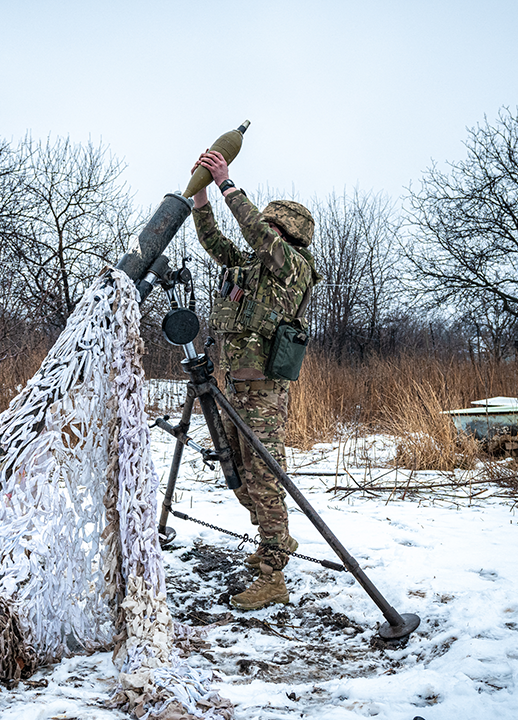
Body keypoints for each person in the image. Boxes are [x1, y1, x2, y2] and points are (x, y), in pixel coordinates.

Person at [189, 149, 319, 611]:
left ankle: (272, 575)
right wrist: (201, 196)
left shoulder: (292, 267)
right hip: (237, 385)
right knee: (236, 470)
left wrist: (227, 184)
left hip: (264, 389)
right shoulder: (254, 266)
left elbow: (255, 234)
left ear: (286, 233)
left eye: (273, 228)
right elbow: (218, 244)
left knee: (264, 475)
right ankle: (275, 536)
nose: (267, 234)